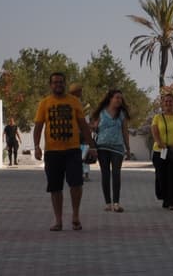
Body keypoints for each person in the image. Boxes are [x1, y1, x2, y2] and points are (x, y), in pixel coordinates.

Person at [32, 71, 92, 231]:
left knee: (76, 184)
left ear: (65, 84)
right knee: (55, 187)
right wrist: (37, 146)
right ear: (50, 85)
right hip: (52, 152)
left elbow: (83, 125)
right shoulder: (44, 103)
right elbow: (38, 126)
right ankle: (58, 220)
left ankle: (75, 216)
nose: (58, 85)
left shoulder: (74, 102)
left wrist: (92, 146)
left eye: (61, 82)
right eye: (55, 82)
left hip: (72, 150)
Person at [91, 89, 132, 212]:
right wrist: (90, 127)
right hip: (102, 147)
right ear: (110, 99)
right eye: (117, 98)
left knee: (116, 173)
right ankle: (108, 203)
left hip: (117, 147)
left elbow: (125, 131)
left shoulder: (122, 114)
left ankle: (116, 203)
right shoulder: (101, 113)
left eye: (121, 98)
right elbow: (94, 127)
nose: (119, 100)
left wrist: (128, 148)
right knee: (105, 174)